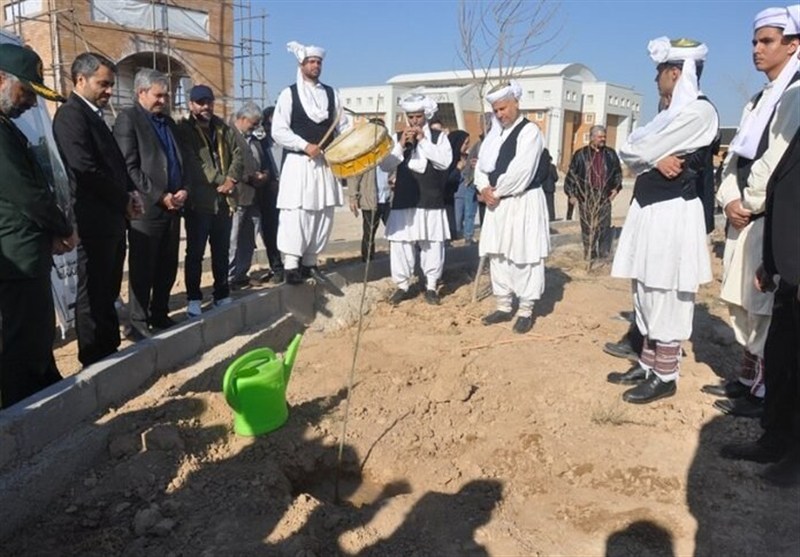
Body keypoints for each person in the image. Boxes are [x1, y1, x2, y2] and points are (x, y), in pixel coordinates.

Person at [607, 37, 719, 404]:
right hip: (650, 208)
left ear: (676, 72)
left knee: (666, 289)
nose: (656, 80)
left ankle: (665, 374)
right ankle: (648, 361)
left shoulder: (700, 113)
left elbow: (639, 147)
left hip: (674, 211)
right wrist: (653, 158)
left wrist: (646, 154)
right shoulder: (667, 115)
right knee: (645, 287)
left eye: (660, 73)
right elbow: (628, 147)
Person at [705, 6, 800, 419]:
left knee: (762, 307)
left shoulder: (794, 93)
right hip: (741, 216)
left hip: (768, 219)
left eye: (767, 41)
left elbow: (776, 158)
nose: (757, 50)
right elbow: (731, 162)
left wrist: (750, 201)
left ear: (792, 45)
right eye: (754, 42)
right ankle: (748, 380)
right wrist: (728, 199)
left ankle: (763, 392)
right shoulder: (757, 100)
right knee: (740, 302)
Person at [53, 52, 141, 366]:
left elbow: (114, 165)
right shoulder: (71, 116)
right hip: (92, 221)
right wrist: (122, 199)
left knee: (107, 289)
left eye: (111, 85)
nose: (108, 91)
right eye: (103, 84)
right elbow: (85, 169)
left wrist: (130, 194)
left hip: (112, 220)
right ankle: (94, 357)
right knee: (92, 293)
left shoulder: (96, 116)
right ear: (81, 79)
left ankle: (108, 351)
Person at [0, 44, 76, 408]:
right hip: (17, 254)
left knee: (36, 334)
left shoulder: (6, 129)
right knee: (23, 342)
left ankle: (47, 390)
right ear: (1, 79)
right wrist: (62, 227)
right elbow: (26, 195)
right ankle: (24, 417)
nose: (30, 102)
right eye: (26, 92)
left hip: (29, 249)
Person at [113, 68, 186, 340]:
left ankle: (159, 313)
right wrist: (159, 195)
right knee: (143, 267)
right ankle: (138, 322)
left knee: (167, 265)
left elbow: (181, 160)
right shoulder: (128, 119)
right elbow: (129, 167)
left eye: (166, 95)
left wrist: (183, 189)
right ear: (141, 92)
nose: (163, 100)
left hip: (173, 206)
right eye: (158, 95)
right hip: (147, 209)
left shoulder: (168, 123)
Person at [475, 81, 550, 334]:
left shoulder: (530, 132)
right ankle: (503, 305)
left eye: (503, 109)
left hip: (522, 202)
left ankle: (526, 309)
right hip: (497, 205)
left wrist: (496, 191)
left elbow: (522, 171)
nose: (500, 115)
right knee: (498, 254)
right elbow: (481, 167)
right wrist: (484, 189)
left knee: (524, 254)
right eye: (496, 111)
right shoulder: (494, 135)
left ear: (516, 103)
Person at [272, 41, 347, 284]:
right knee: (297, 213)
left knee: (322, 212)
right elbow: (279, 130)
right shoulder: (288, 94)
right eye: (311, 62)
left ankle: (310, 262)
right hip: (298, 165)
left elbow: (342, 127)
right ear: (301, 64)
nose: (316, 66)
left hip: (324, 165)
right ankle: (291, 264)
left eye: (318, 62)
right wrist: (305, 145)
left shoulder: (332, 94)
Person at [175, 84, 243, 317]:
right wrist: (221, 179)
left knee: (221, 251)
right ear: (191, 104)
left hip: (224, 202)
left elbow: (238, 154)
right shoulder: (184, 130)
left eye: (209, 102)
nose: (206, 107)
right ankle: (194, 297)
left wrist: (232, 179)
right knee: (195, 253)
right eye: (200, 102)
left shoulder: (223, 128)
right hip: (200, 202)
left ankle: (221, 293)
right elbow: (194, 163)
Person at [380, 93, 453, 306]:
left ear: (426, 116)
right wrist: (401, 144)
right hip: (405, 198)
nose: (414, 121)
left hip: (430, 198)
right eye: (411, 117)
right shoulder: (397, 137)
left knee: (432, 243)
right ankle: (402, 285)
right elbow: (386, 165)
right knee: (401, 242)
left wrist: (423, 141)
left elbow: (444, 162)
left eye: (418, 117)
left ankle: (431, 285)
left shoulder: (440, 138)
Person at [564, 125, 623, 260]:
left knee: (604, 227)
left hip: (604, 196)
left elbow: (617, 173)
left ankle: (603, 255)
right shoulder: (580, 155)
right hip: (586, 196)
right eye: (600, 137)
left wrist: (616, 188)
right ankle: (590, 255)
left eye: (604, 137)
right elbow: (572, 175)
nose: (603, 139)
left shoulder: (610, 154)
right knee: (588, 229)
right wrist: (571, 194)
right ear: (592, 137)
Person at [228, 102, 268, 290]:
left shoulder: (253, 138)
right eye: (252, 124)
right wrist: (249, 177)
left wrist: (264, 175)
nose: (254, 127)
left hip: (254, 196)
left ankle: (240, 274)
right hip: (237, 195)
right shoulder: (229, 135)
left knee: (249, 238)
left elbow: (261, 160)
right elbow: (228, 165)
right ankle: (227, 276)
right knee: (233, 239)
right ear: (242, 119)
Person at [256, 106, 284, 284]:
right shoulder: (259, 144)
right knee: (270, 231)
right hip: (268, 193)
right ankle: (277, 267)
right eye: (267, 124)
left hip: (289, 190)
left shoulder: (291, 145)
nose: (270, 128)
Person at [348, 163, 392, 263]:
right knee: (369, 234)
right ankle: (367, 261)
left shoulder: (390, 155)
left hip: (389, 199)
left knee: (394, 233)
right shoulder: (366, 158)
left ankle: (397, 260)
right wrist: (353, 197)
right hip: (370, 200)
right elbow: (354, 176)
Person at [446, 130, 471, 241]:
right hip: (447, 198)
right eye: (465, 143)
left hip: (459, 195)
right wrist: (458, 169)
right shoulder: (448, 158)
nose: (467, 146)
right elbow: (447, 179)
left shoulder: (463, 157)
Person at [457, 133, 480, 244]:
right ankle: (468, 234)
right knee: (469, 210)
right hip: (472, 182)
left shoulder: (478, 145)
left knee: (471, 210)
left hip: (477, 181)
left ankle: (468, 234)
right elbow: (469, 164)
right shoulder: (478, 145)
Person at [541, 152, 559, 222]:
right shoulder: (552, 167)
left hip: (543, 187)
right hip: (550, 188)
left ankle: (544, 217)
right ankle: (551, 217)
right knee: (550, 204)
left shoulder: (543, 166)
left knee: (543, 203)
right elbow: (556, 177)